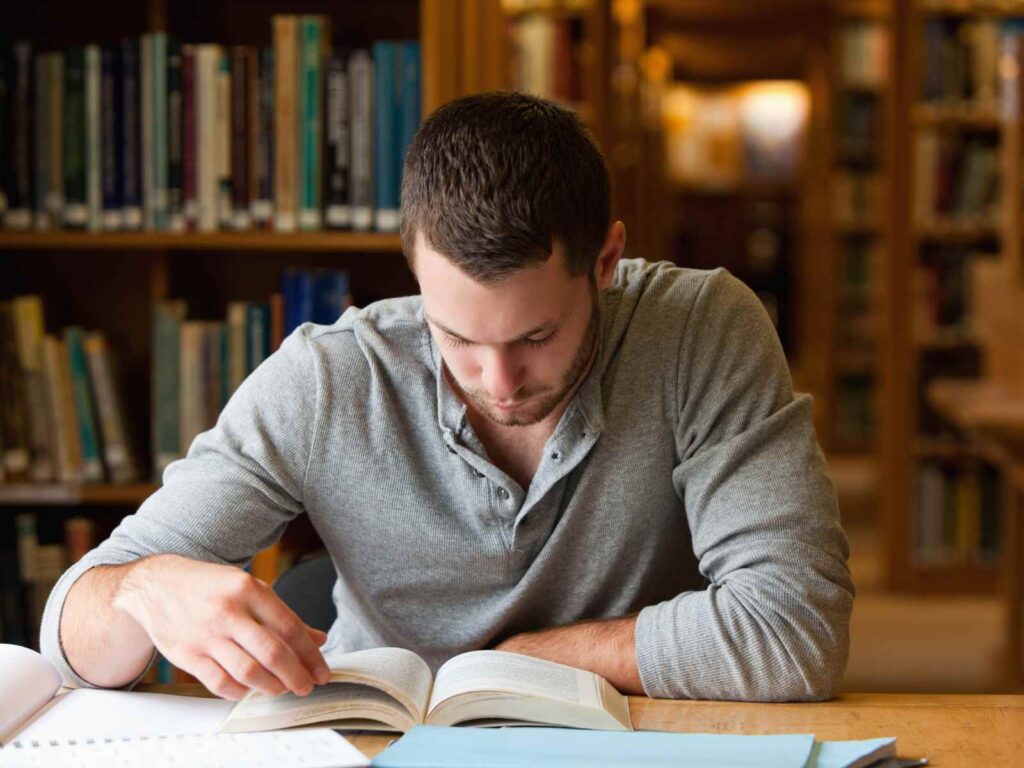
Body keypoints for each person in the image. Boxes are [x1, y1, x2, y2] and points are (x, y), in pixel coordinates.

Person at [41, 92, 854, 703]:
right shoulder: (329, 379)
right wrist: (142, 590)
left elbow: (795, 631)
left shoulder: (700, 331)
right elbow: (67, 639)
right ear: (415, 273)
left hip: (619, 737)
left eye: (536, 336)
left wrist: (517, 663)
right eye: (457, 337)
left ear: (606, 262)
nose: (498, 385)